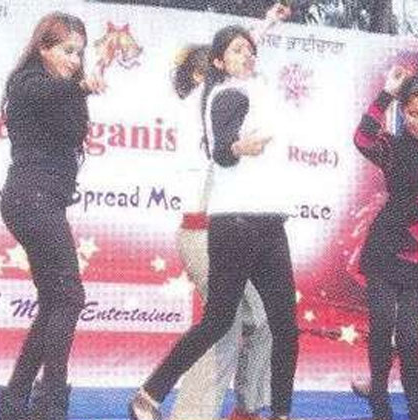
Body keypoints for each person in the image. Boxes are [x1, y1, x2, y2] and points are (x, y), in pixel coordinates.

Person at [129, 4, 300, 420]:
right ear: (217, 65)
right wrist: (240, 147)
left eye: (250, 50)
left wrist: (267, 23)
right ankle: (153, 396)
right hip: (235, 224)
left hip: (266, 222)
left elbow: (242, 47)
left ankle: (278, 412)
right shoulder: (226, 95)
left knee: (280, 326)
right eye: (236, 52)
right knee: (222, 322)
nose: (248, 55)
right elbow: (223, 150)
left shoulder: (244, 87)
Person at [0, 11, 105, 420]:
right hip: (31, 199)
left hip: (45, 201)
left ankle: (15, 401)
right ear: (43, 47)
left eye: (79, 53)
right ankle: (50, 403)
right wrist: (80, 87)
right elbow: (44, 94)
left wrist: (78, 90)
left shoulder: (67, 91)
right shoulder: (26, 82)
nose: (74, 59)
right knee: (70, 296)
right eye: (66, 50)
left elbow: (69, 125)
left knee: (56, 301)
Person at [169, 45, 272, 420]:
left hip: (230, 234)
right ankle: (193, 415)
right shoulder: (197, 108)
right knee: (223, 329)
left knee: (263, 318)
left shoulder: (225, 116)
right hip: (203, 233)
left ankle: (248, 408)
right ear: (204, 77)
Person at [354, 66, 418, 420]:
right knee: (381, 326)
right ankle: (380, 404)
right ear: (403, 112)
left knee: (407, 337)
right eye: (414, 114)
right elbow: (362, 138)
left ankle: (416, 411)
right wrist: (387, 93)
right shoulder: (392, 146)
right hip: (385, 251)